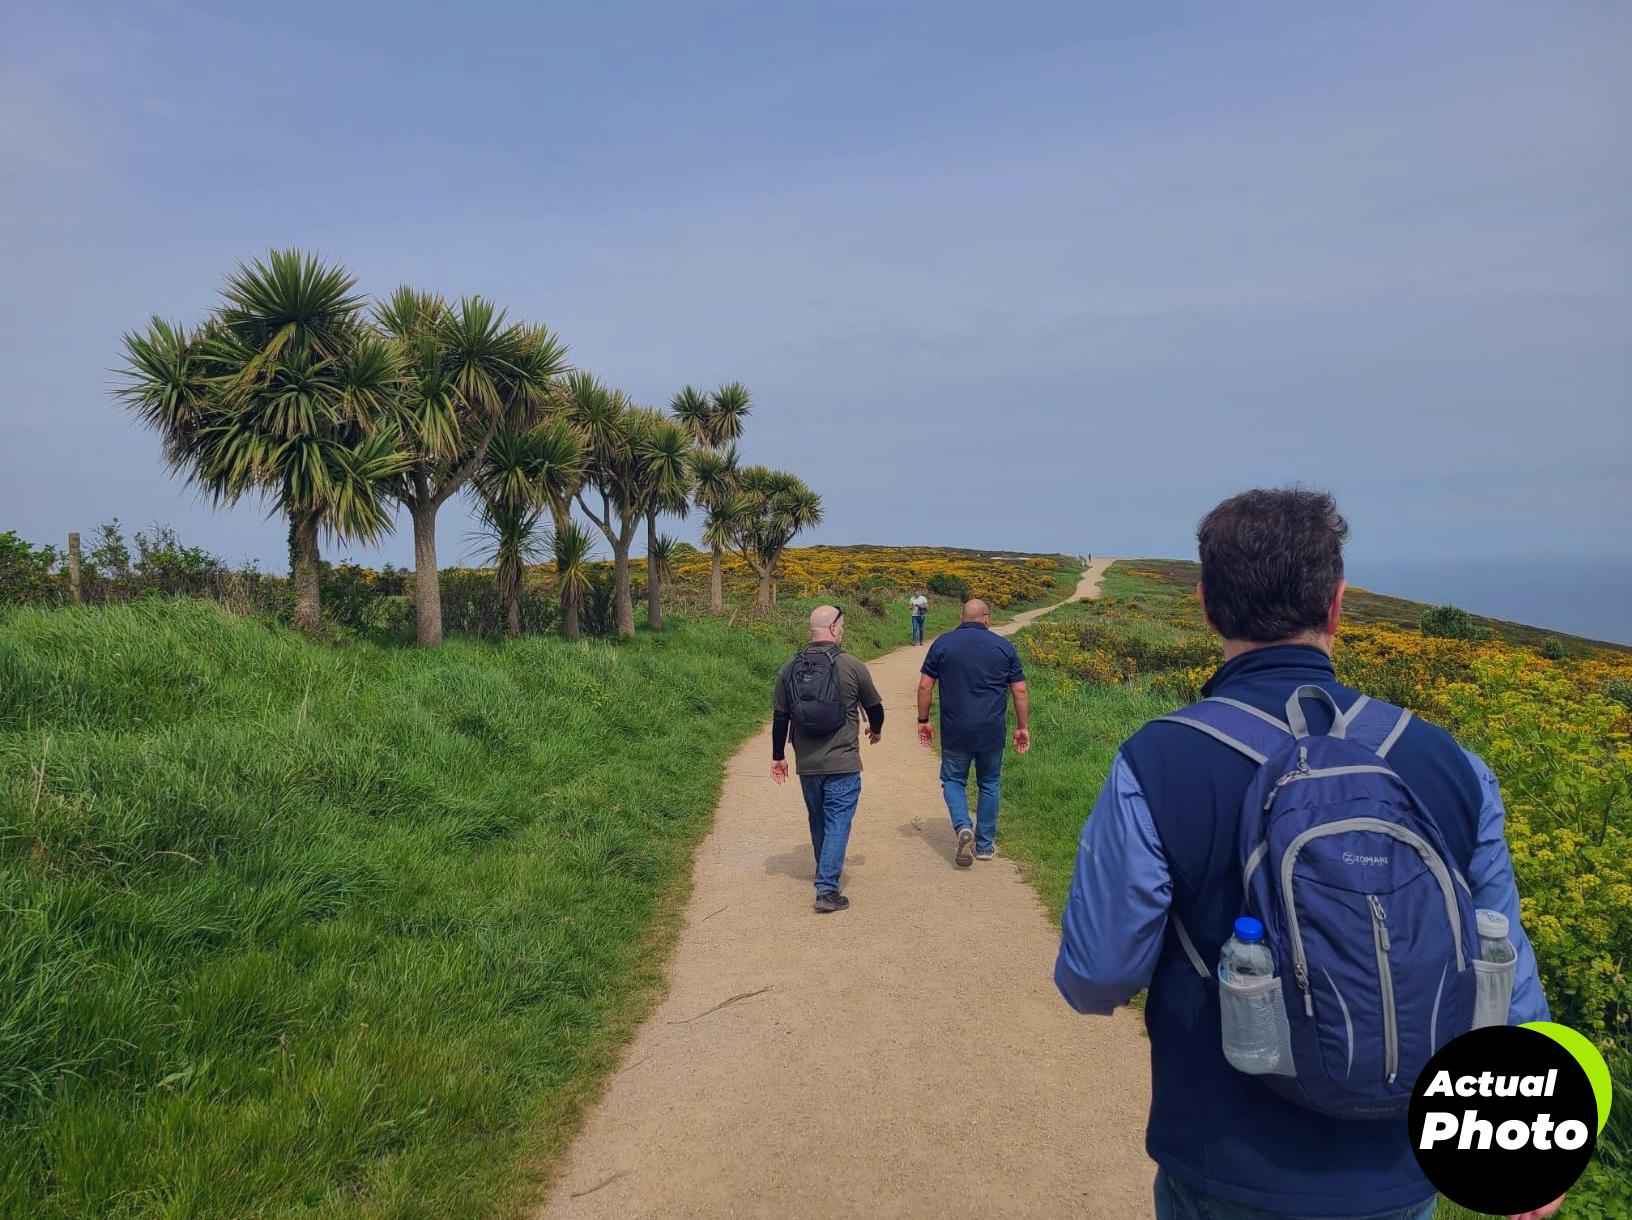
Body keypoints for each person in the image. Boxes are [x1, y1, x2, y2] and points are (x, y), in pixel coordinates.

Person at [1053, 488, 1557, 1220]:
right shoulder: (1450, 763)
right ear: (1338, 604)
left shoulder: (1156, 762)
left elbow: (1097, 977)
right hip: (1401, 1171)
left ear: (1206, 606)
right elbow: (1504, 968)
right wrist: (1530, 1148)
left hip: (1225, 1167)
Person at [771, 605, 884, 913]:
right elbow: (875, 707)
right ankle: (827, 888)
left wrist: (779, 755)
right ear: (833, 628)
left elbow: (780, 716)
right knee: (838, 821)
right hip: (843, 761)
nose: (843, 630)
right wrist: (876, 729)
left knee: (819, 818)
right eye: (843, 625)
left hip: (807, 763)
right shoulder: (851, 665)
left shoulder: (790, 667)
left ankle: (825, 870)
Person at [917, 598, 1030, 867]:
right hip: (991, 730)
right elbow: (1020, 691)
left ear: (961, 617)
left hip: (955, 729)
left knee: (954, 780)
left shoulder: (943, 643)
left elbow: (924, 686)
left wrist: (923, 720)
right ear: (987, 618)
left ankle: (962, 826)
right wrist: (1022, 727)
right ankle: (985, 845)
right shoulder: (1004, 647)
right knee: (989, 783)